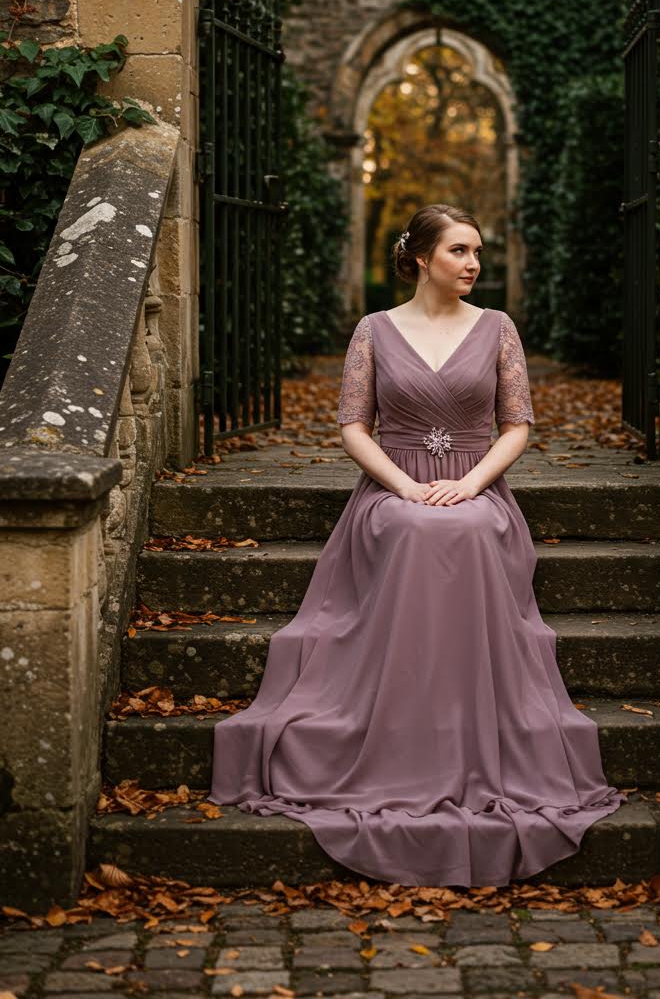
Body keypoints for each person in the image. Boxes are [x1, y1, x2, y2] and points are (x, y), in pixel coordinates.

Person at [208, 202, 627, 887]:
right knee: (412, 527)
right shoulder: (375, 330)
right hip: (391, 493)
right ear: (423, 257)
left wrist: (471, 485)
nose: (474, 265)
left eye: (478, 253)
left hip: (477, 490)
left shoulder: (497, 330)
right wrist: (405, 487)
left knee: (462, 528)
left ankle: (465, 718)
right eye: (461, 252)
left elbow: (518, 425)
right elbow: (352, 427)